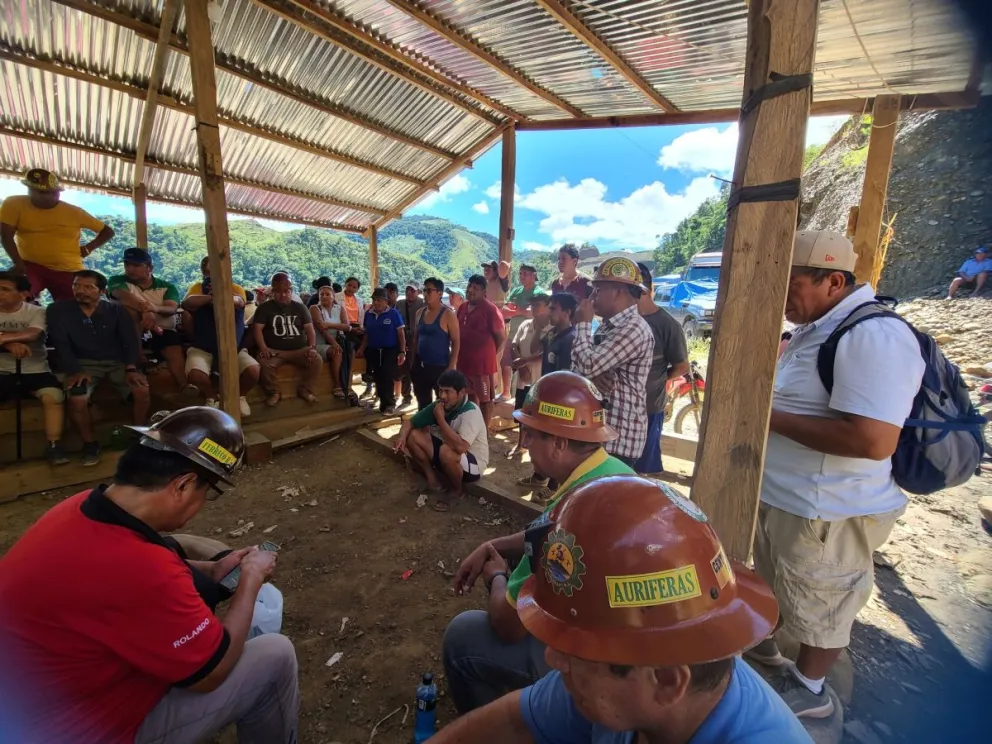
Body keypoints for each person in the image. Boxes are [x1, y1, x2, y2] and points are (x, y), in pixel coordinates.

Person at [432, 475, 811, 744]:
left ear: (666, 682)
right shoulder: (615, 683)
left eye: (576, 653)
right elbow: (518, 720)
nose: (553, 657)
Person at [0, 407, 300, 743]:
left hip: (29, 709)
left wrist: (214, 569)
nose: (204, 502)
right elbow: (212, 672)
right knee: (276, 656)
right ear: (183, 485)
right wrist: (250, 579)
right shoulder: (142, 569)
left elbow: (147, 567)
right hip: (76, 731)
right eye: (208, 492)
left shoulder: (80, 508)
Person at [747, 231, 925, 718]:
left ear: (832, 280)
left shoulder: (873, 335)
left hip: (829, 507)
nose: (783, 299)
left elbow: (873, 440)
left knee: (823, 604)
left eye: (792, 286)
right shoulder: (816, 327)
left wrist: (765, 416)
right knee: (784, 587)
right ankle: (768, 659)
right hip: (792, 499)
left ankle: (810, 690)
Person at [444, 372, 634, 713]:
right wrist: (496, 545)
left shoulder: (567, 515)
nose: (525, 443)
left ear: (560, 443)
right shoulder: (614, 472)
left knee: (462, 636)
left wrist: (497, 575)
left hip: (601, 667)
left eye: (530, 435)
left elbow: (508, 625)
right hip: (630, 641)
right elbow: (537, 532)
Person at [47, 270, 150, 466]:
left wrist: (131, 368)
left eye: (88, 287)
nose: (80, 291)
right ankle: (90, 444)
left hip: (117, 362)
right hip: (83, 363)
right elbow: (61, 345)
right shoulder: (57, 310)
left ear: (101, 291)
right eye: (76, 285)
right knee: (77, 399)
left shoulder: (117, 310)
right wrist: (74, 370)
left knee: (141, 390)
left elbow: (129, 341)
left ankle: (139, 435)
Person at [571, 257, 654, 468]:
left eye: (597, 290)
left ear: (617, 291)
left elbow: (587, 365)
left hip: (619, 440)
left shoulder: (633, 328)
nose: (591, 297)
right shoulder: (609, 327)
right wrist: (592, 375)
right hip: (603, 436)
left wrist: (582, 324)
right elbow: (579, 369)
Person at [0, 168, 115, 301]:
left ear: (58, 193)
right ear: (29, 190)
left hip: (69, 269)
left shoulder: (74, 212)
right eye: (40, 192)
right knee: (14, 296)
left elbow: (108, 232)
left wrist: (89, 247)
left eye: (53, 192)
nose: (49, 196)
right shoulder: (13, 204)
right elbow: (6, 235)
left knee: (78, 305)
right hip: (30, 265)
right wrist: (18, 264)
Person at [393, 369, 488, 512]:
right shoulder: (440, 406)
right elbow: (410, 423)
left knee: (447, 451)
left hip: (474, 465)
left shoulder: (471, 411)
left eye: (447, 391)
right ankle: (432, 480)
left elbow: (461, 447)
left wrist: (440, 419)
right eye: (441, 390)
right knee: (413, 435)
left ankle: (457, 491)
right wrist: (401, 438)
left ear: (461, 392)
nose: (442, 395)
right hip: (451, 453)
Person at [0, 271, 68, 465]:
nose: (0, 293)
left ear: (23, 294)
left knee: (54, 396)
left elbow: (33, 334)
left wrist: (2, 338)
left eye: (5, 289)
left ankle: (54, 445)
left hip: (35, 370)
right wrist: (10, 345)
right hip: (2, 371)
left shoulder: (36, 312)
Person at [107, 248, 192, 395]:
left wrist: (153, 309)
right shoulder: (117, 281)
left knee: (172, 346)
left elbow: (171, 308)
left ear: (150, 268)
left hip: (161, 330)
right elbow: (122, 296)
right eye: (127, 265)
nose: (130, 269)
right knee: (131, 312)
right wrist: (145, 310)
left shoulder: (167, 286)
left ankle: (184, 385)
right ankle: (138, 356)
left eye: (136, 265)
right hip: (128, 332)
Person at [181, 257, 259, 417]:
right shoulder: (196, 288)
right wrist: (210, 297)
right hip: (203, 346)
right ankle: (211, 397)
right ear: (204, 274)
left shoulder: (235, 288)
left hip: (233, 347)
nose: (212, 276)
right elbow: (187, 303)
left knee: (253, 371)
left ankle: (240, 396)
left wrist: (222, 294)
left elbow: (239, 301)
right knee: (195, 374)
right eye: (209, 273)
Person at [518, 292, 578, 495]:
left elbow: (566, 377)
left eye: (553, 308)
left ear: (567, 312)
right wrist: (540, 326)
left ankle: (553, 487)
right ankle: (539, 477)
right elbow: (535, 347)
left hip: (560, 401)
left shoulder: (571, 338)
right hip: (545, 394)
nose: (549, 312)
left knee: (555, 444)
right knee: (541, 440)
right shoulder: (553, 333)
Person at [634, 262, 689, 475]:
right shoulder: (620, 321)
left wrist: (660, 379)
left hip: (649, 407)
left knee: (641, 469)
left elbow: (681, 365)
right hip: (618, 409)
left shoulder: (667, 325)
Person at [253, 273, 322, 407]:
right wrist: (263, 348)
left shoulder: (300, 307)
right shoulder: (264, 308)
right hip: (275, 351)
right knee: (263, 362)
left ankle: (305, 389)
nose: (283, 295)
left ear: (291, 291)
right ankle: (274, 392)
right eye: (278, 291)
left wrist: (312, 347)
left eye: (286, 291)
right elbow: (257, 329)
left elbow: (310, 330)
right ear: (272, 291)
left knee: (317, 360)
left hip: (299, 350)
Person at [456, 275, 506, 426]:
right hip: (463, 363)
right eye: (470, 286)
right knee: (470, 396)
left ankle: (484, 431)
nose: (471, 290)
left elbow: (501, 337)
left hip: (482, 365)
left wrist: (489, 354)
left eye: (476, 288)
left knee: (485, 399)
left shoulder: (490, 309)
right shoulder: (462, 307)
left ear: (484, 291)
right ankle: (473, 427)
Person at [507, 294, 551, 458]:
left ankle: (537, 448)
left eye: (538, 305)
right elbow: (513, 344)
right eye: (532, 305)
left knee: (538, 414)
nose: (534, 308)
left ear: (547, 306)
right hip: (523, 376)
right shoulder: (525, 324)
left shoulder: (551, 328)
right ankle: (520, 444)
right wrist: (520, 364)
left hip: (540, 377)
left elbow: (543, 354)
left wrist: (523, 362)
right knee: (522, 410)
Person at [499, 264, 547, 404]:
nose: (522, 276)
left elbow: (532, 313)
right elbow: (504, 311)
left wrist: (515, 311)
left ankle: (532, 398)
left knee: (529, 368)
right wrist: (520, 311)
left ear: (533, 275)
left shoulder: (539, 292)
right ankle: (506, 393)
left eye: (525, 273)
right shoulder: (516, 291)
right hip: (513, 331)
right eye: (520, 273)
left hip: (530, 335)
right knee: (505, 362)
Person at [410, 277, 460, 410]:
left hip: (440, 367)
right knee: (422, 402)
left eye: (429, 291)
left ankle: (440, 429)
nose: (425, 294)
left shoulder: (448, 314)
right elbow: (415, 339)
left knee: (443, 404)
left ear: (439, 293)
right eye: (424, 290)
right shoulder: (419, 313)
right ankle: (425, 428)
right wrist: (412, 362)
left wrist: (451, 367)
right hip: (421, 366)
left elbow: (456, 341)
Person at [357, 287, 406, 414]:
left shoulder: (393, 314)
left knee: (387, 375)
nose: (376, 303)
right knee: (378, 376)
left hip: (390, 350)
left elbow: (401, 333)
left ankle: (389, 404)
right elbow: (367, 334)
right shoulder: (369, 314)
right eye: (374, 300)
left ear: (386, 301)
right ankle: (383, 405)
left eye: (379, 300)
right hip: (374, 349)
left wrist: (402, 351)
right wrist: (362, 348)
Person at [310, 284, 350, 400]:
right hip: (320, 343)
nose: (324, 296)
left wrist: (329, 325)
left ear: (333, 297)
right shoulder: (314, 308)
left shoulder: (340, 308)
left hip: (337, 340)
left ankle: (348, 385)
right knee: (337, 352)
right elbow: (322, 330)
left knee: (349, 351)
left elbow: (347, 326)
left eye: (328, 294)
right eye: (321, 294)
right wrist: (334, 343)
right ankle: (337, 384)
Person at [395, 281, 425, 408]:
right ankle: (406, 396)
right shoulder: (400, 304)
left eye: (412, 290)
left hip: (418, 341)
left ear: (418, 292)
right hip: (404, 340)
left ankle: (421, 396)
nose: (409, 293)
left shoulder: (423, 304)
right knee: (404, 368)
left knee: (417, 368)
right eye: (407, 290)